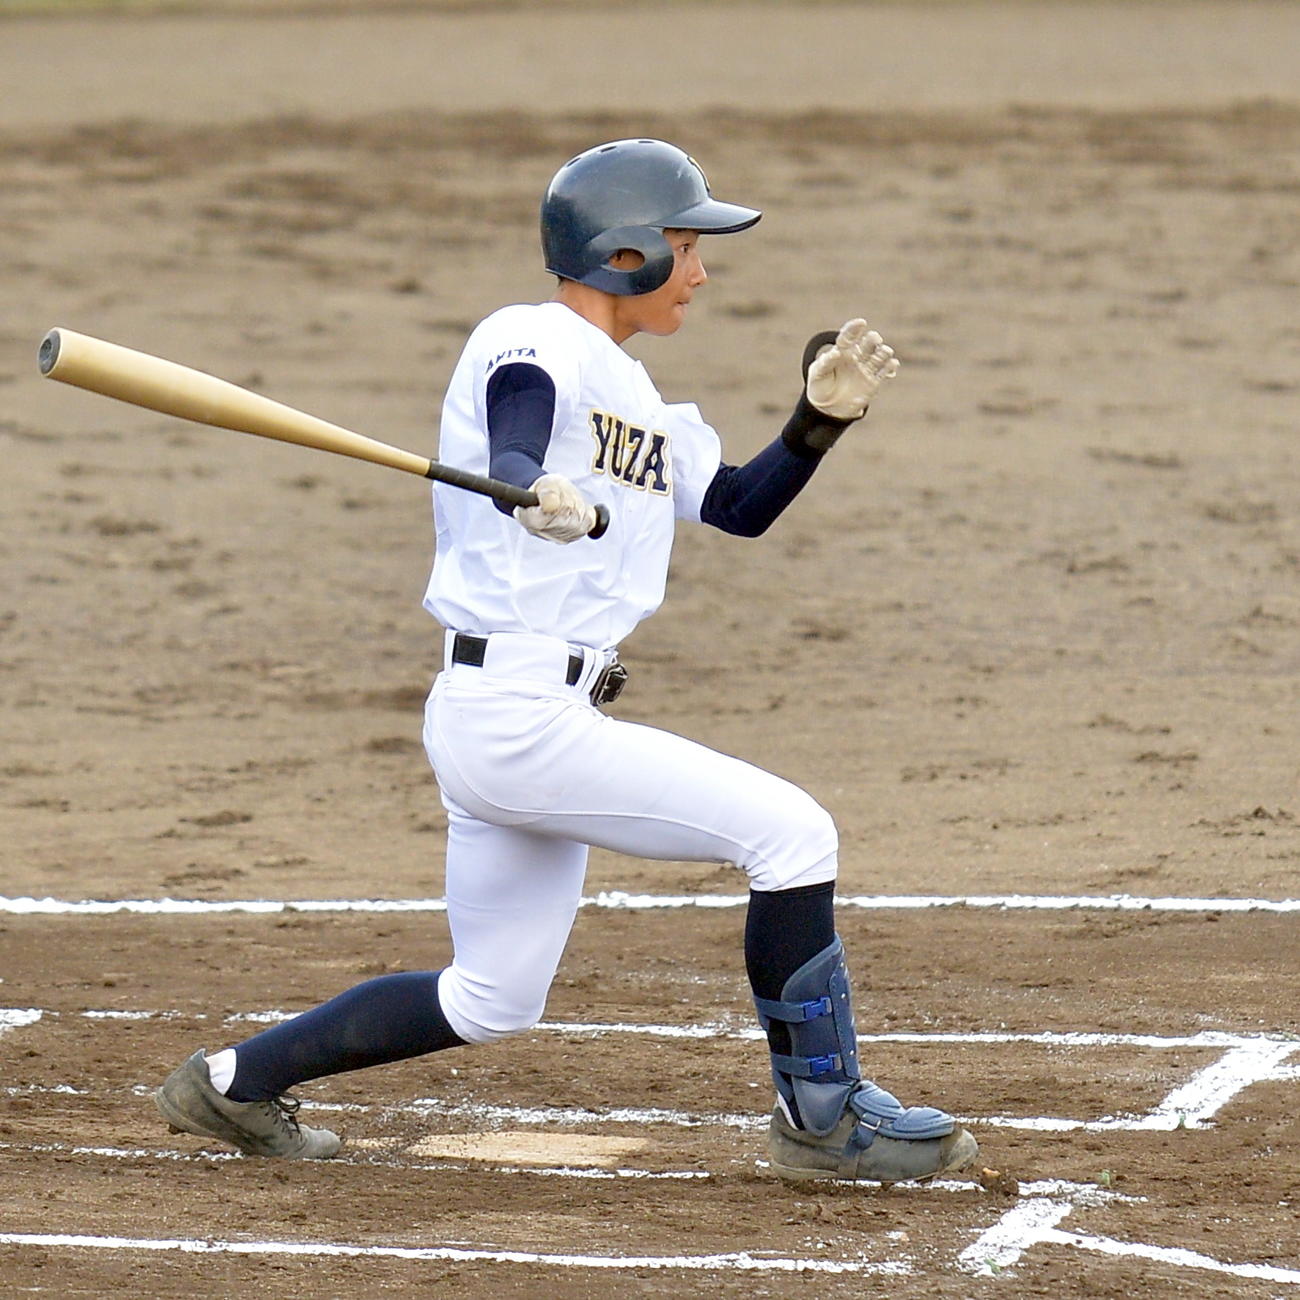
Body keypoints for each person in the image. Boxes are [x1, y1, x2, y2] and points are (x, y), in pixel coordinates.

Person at [154, 138, 978, 1184]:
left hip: (521, 718)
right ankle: (822, 1122)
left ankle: (229, 1083)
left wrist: (817, 421)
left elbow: (736, 507)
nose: (702, 270)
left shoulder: (646, 401)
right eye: (686, 246)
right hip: (516, 714)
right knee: (792, 834)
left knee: (490, 996)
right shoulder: (532, 336)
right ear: (624, 252)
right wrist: (522, 482)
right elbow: (517, 423)